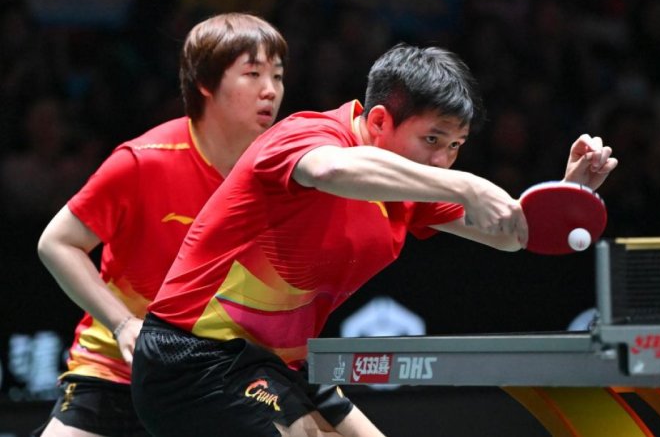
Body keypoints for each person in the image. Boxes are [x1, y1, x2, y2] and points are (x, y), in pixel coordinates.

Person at [131, 43, 618, 437]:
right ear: (380, 120)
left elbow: (510, 234)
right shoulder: (306, 134)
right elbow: (329, 170)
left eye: (455, 146)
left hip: (281, 366)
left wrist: (567, 195)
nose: (443, 160)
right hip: (195, 359)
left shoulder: (413, 187)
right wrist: (464, 184)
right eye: (432, 139)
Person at [35, 12, 288, 437]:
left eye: (277, 76)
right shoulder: (144, 162)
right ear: (205, 82)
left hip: (217, 380)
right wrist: (122, 324)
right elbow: (57, 243)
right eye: (252, 73)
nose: (271, 90)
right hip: (117, 373)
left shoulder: (281, 172)